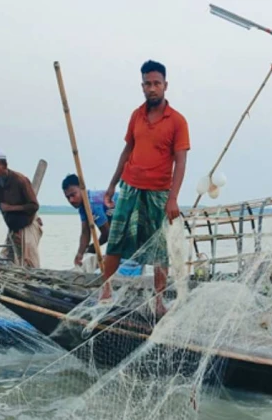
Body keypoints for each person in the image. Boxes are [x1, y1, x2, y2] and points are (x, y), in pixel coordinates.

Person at [101, 59, 190, 317]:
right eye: (147, 84)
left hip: (159, 192)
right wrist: (112, 185)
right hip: (130, 187)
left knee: (160, 248)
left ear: (165, 85)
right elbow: (127, 149)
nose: (152, 88)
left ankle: (158, 300)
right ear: (142, 86)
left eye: (156, 83)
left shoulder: (177, 121)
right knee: (116, 239)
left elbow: (181, 162)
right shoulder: (136, 115)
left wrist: (173, 198)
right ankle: (105, 289)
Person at [61, 173, 119, 267]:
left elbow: (107, 234)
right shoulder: (82, 207)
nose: (71, 200)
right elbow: (85, 232)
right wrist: (80, 253)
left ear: (82, 189)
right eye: (68, 197)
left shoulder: (92, 204)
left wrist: (92, 249)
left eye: (73, 195)